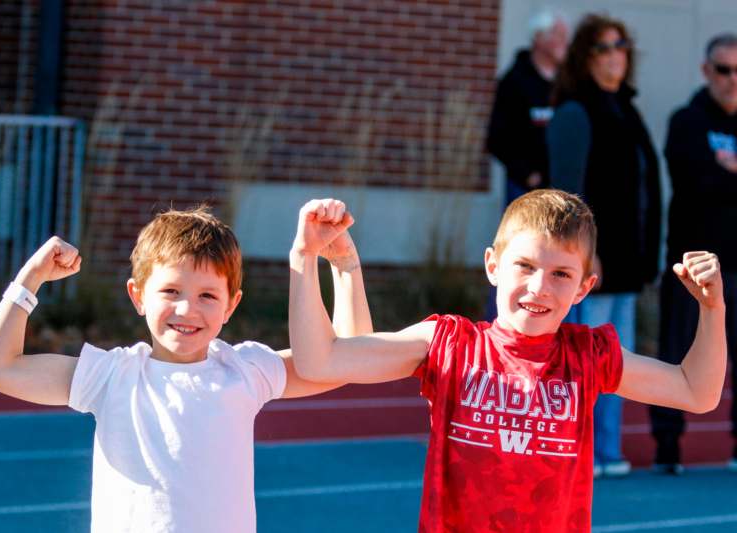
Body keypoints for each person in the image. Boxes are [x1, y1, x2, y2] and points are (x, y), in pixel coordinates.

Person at [289, 189, 725, 532]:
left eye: (561, 274)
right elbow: (321, 362)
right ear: (493, 265)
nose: (539, 288)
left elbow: (696, 391)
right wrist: (311, 257)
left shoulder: (589, 355)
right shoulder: (449, 343)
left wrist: (712, 311)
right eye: (524, 266)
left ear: (583, 288)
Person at [0, 200, 369, 533]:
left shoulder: (247, 369)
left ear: (231, 305)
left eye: (208, 295)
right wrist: (31, 279)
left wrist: (344, 265)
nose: (186, 309)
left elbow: (347, 362)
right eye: (171, 291)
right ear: (138, 295)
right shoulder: (110, 376)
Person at [546, 13, 662, 477]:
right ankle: (579, 449)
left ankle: (607, 451)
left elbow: (645, 188)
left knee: (616, 365)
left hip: (628, 265)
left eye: (621, 45)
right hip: (591, 267)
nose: (615, 54)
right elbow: (566, 195)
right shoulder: (576, 110)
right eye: (604, 47)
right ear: (584, 57)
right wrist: (584, 256)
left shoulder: (628, 109)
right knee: (583, 362)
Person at [650, 33, 737, 474]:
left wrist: (723, 174)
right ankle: (668, 450)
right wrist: (722, 177)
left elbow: (715, 181)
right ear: (707, 72)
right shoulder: (687, 121)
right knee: (676, 355)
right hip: (693, 270)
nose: (732, 80)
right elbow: (695, 182)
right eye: (724, 70)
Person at [486, 7, 569, 206]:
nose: (565, 43)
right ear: (539, 38)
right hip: (525, 190)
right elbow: (496, 139)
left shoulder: (569, 84)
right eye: (558, 35)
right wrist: (528, 175)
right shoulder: (515, 82)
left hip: (564, 189)